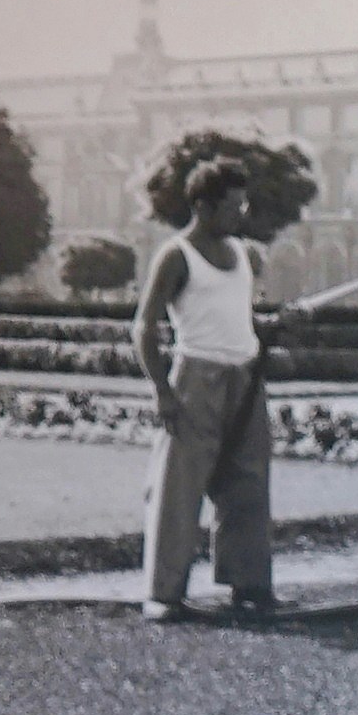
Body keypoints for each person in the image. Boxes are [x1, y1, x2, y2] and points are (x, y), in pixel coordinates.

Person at [136, 152, 283, 622]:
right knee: (180, 488)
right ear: (203, 206)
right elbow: (143, 327)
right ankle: (164, 594)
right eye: (233, 206)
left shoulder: (241, 253)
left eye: (243, 204)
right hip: (196, 379)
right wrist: (162, 391)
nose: (242, 214)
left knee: (248, 483)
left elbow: (237, 317)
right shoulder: (176, 255)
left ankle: (249, 585)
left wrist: (273, 322)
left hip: (245, 377)